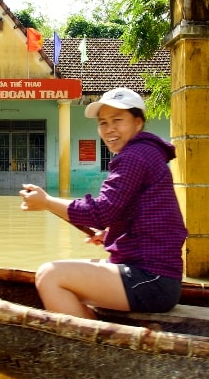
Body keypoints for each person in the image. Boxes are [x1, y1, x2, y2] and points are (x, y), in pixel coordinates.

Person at [19, 87, 187, 320]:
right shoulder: (146, 153)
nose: (109, 130)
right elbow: (141, 216)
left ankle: (93, 346)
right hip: (157, 278)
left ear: (138, 123)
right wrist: (111, 235)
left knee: (49, 275)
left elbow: (101, 212)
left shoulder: (135, 156)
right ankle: (98, 331)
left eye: (118, 120)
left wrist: (46, 201)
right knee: (71, 271)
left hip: (152, 280)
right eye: (103, 123)